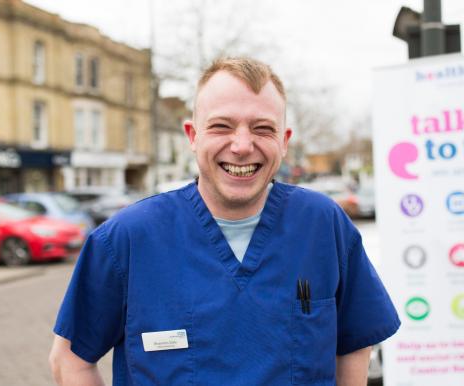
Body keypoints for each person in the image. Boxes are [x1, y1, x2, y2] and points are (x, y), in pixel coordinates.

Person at [49, 57, 400, 386]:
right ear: (192, 135)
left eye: (262, 128)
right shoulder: (126, 239)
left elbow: (354, 342)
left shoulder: (323, 226)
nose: (242, 145)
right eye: (221, 126)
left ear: (284, 141)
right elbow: (70, 359)